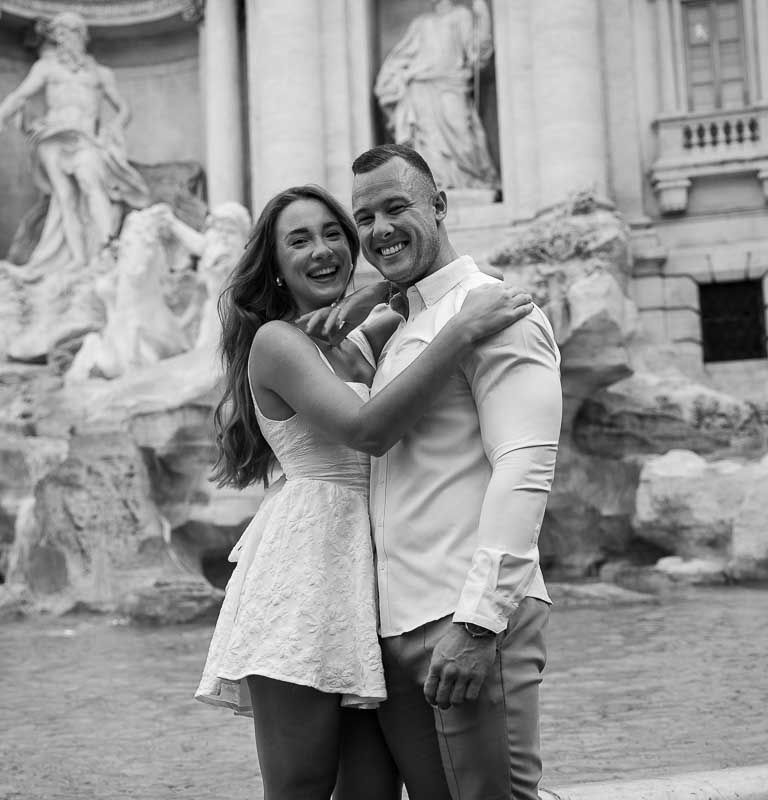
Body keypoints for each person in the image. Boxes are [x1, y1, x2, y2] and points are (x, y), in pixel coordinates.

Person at [194, 184, 533, 800]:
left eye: (333, 234)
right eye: (299, 240)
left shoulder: (357, 339)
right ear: (273, 265)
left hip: (378, 574)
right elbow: (365, 430)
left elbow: (428, 287)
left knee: (375, 789)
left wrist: (377, 291)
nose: (322, 250)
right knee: (302, 786)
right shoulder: (276, 343)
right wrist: (456, 335)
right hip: (305, 572)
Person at [347, 143, 562, 800]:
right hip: (398, 627)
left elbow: (524, 468)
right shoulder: (402, 326)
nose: (380, 230)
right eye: (364, 217)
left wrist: (477, 624)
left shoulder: (496, 311)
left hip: (466, 617)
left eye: (395, 207)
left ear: (439, 205)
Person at [0, 11, 150, 271]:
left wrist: (113, 128)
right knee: (64, 198)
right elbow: (20, 96)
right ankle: (78, 258)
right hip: (53, 137)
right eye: (58, 35)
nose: (61, 40)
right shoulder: (46, 67)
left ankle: (108, 248)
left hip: (85, 138)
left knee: (92, 183)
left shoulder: (100, 73)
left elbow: (124, 109)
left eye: (66, 33)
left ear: (80, 35)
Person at [374, 0, 500, 192]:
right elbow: (401, 57)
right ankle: (435, 185)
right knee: (428, 141)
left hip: (452, 83)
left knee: (461, 133)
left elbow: (475, 54)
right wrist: (394, 77)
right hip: (420, 86)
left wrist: (483, 18)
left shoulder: (462, 15)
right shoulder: (421, 23)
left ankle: (469, 180)